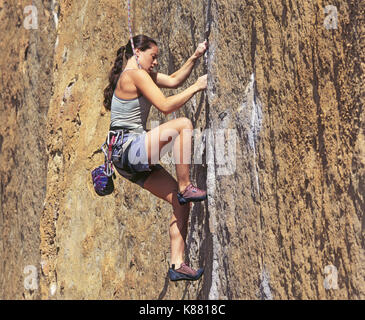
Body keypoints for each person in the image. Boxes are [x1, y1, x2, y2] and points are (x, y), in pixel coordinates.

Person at [103, 34, 207, 281]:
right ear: (137, 53)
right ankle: (185, 186)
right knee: (182, 125)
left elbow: (172, 80)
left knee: (180, 203)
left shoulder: (139, 75)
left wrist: (195, 56)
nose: (156, 62)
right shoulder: (134, 75)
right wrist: (197, 86)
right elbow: (165, 106)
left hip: (125, 160)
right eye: (153, 56)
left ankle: (177, 264)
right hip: (129, 149)